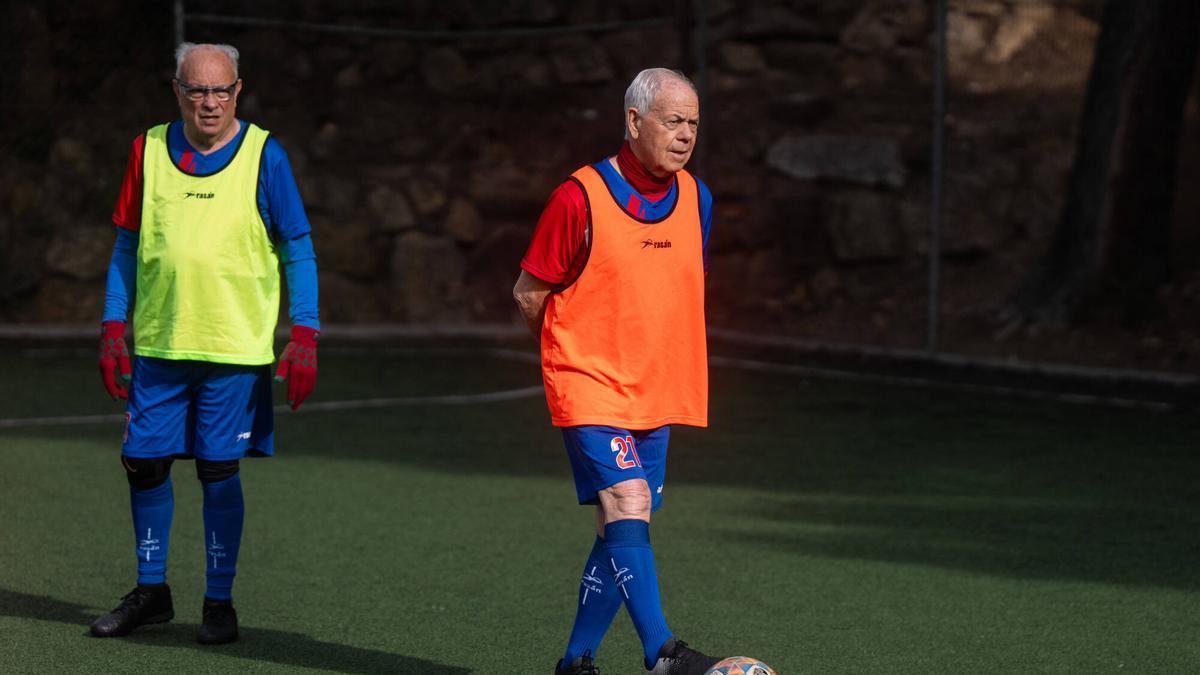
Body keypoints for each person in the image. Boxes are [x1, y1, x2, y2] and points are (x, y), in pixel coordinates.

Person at [91, 42, 320, 645]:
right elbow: (124, 244)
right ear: (177, 92)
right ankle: (152, 592)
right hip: (161, 344)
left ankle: (219, 602)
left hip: (235, 350)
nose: (210, 102)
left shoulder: (265, 154)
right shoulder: (147, 150)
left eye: (221, 90)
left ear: (238, 91)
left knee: (219, 471)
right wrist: (115, 328)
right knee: (142, 462)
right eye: (197, 90)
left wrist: (306, 333)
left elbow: (297, 245)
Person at [513, 68, 722, 675]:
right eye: (673, 121)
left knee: (622, 524)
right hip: (590, 383)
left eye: (693, 125)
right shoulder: (577, 197)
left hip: (658, 387)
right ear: (634, 122)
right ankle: (663, 654)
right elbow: (530, 293)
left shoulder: (698, 199)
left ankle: (575, 663)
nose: (686, 136)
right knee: (627, 500)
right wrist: (571, 354)